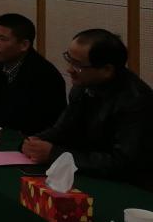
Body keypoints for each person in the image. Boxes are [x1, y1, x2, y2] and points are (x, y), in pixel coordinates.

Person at [23, 29, 153, 189]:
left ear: (106, 70)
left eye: (77, 65)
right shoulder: (82, 86)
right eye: (69, 59)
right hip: (86, 173)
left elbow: (123, 163)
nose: (69, 69)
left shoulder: (136, 101)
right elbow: (63, 129)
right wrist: (34, 141)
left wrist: (54, 154)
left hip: (128, 186)